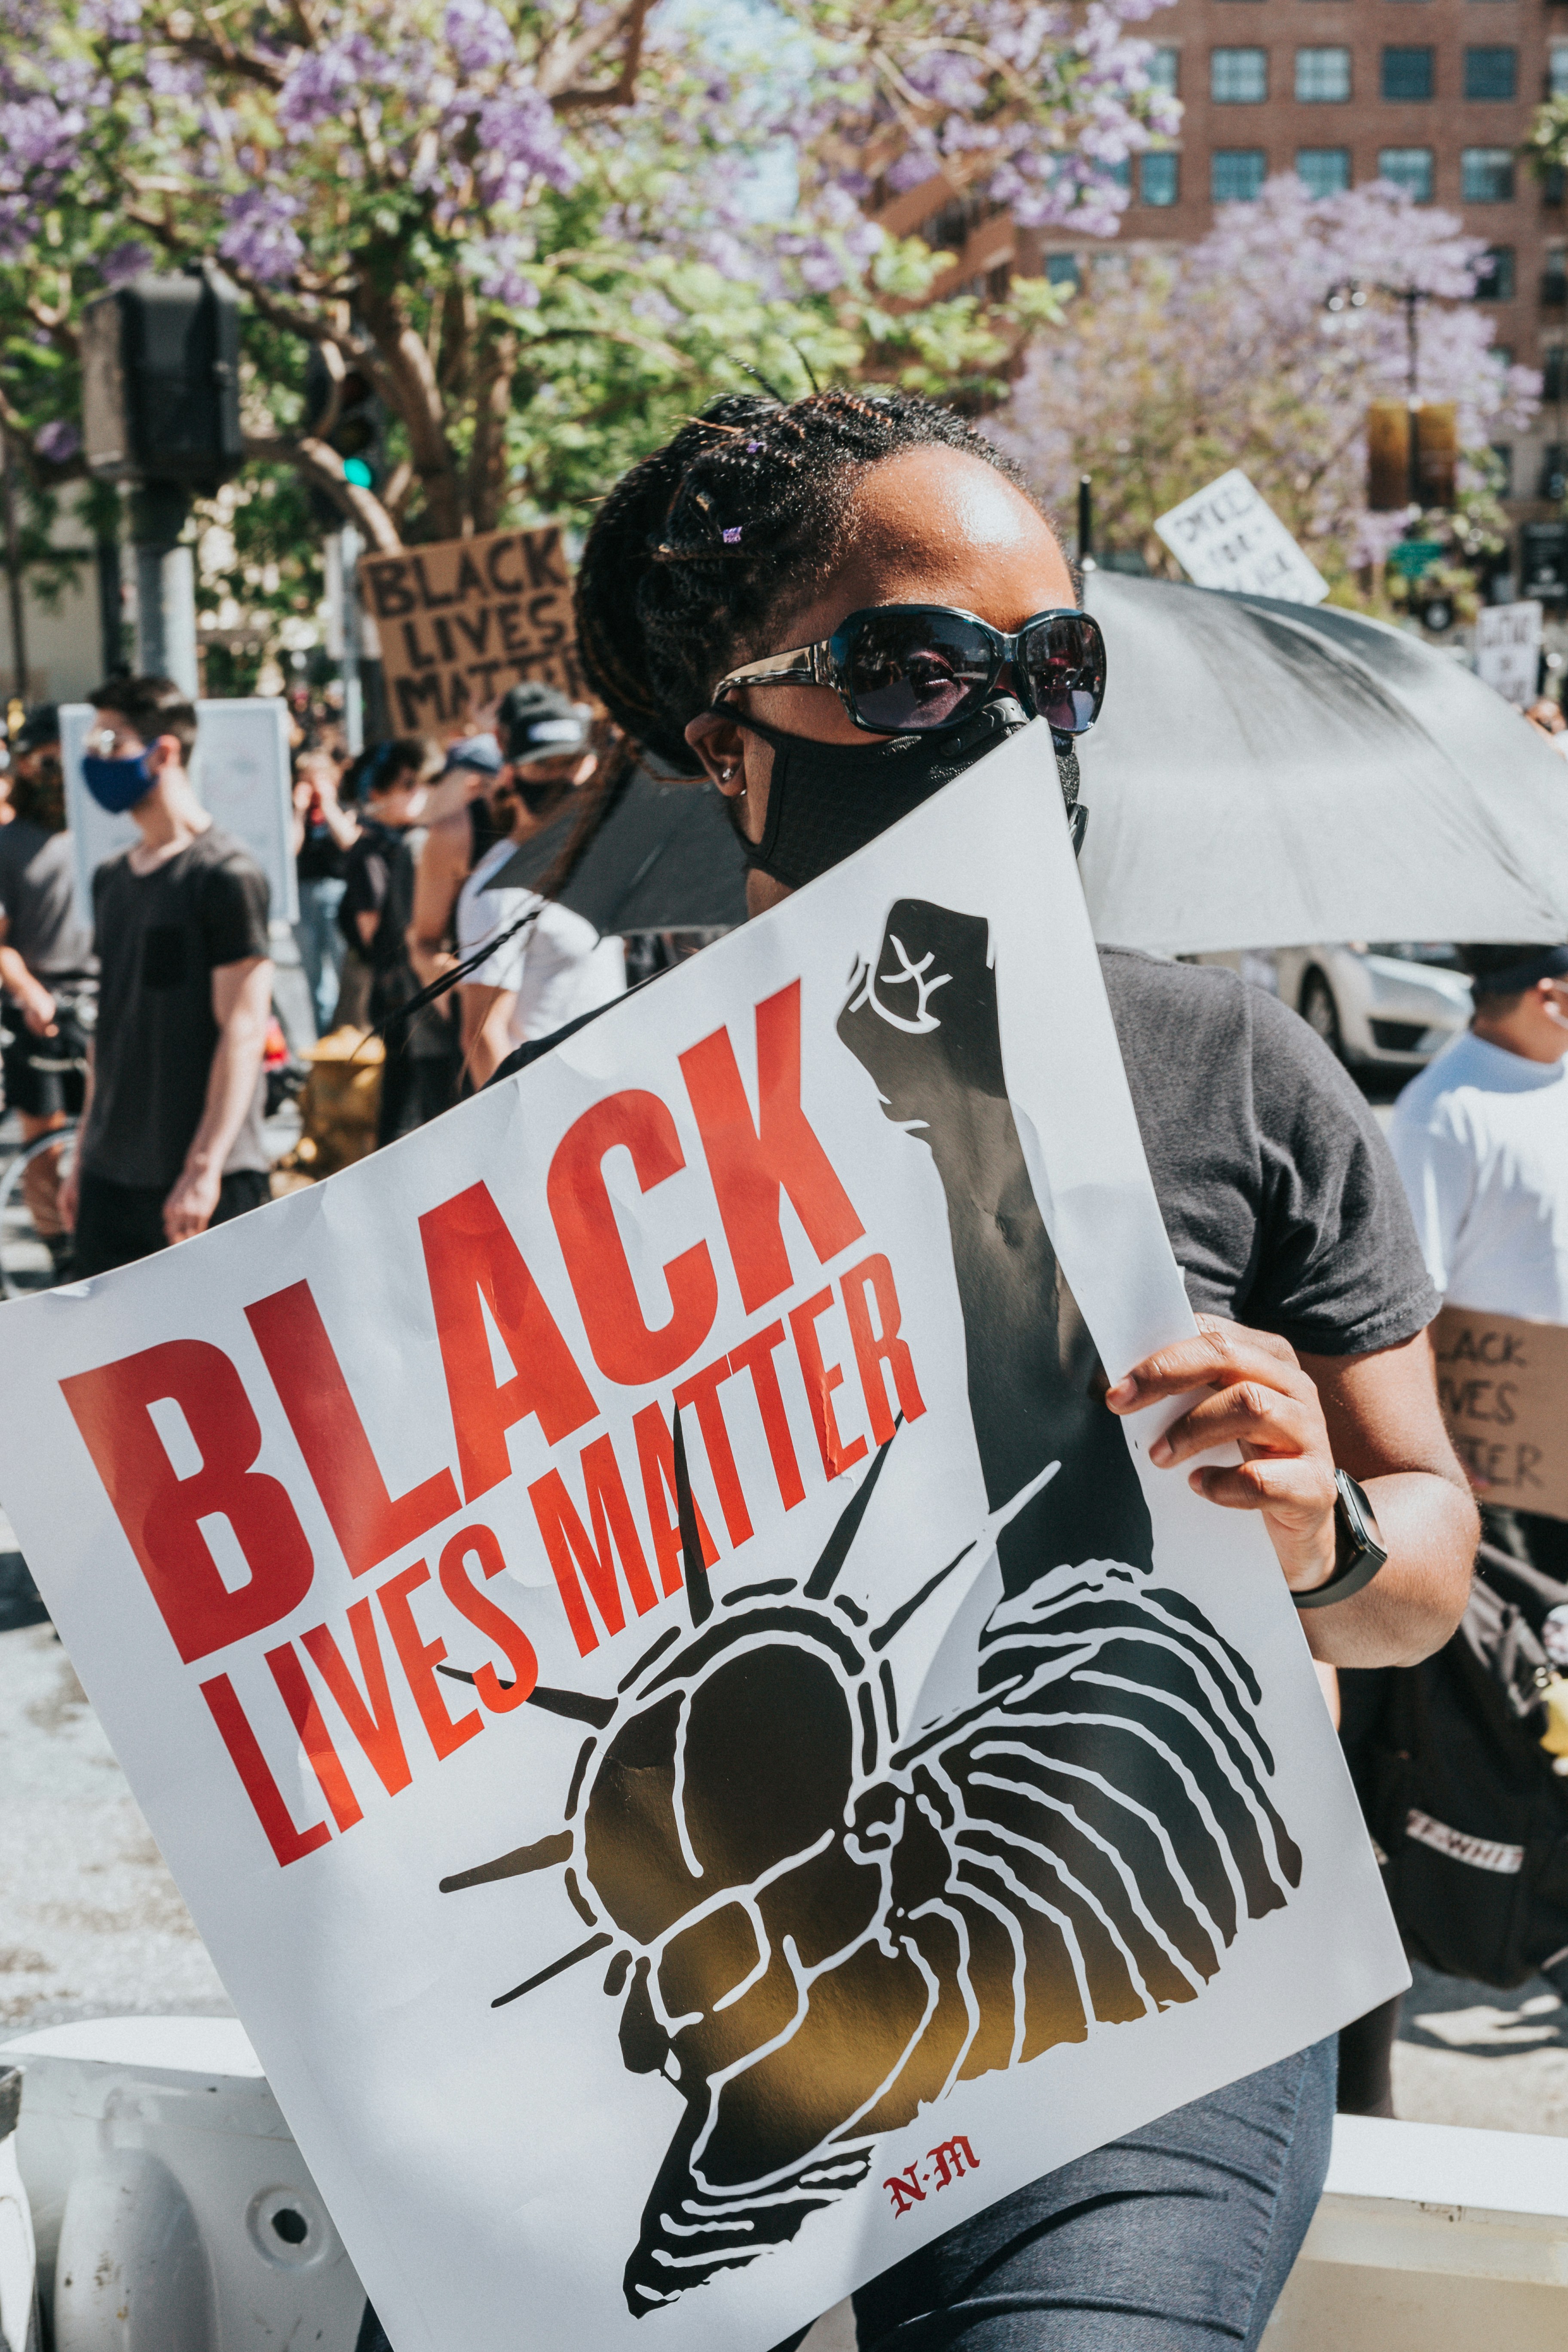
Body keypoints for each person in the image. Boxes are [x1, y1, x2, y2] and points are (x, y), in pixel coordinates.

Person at [570, 388, 1476, 2352]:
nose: (996, 720)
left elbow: (1427, 1565)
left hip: (1136, 2007)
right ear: (729, 742)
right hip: (656, 2031)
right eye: (905, 666)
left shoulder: (1234, 1070)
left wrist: (1319, 1533)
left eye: (1048, 667)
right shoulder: (577, 1113)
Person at [58, 676, 273, 1277]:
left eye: (111, 739)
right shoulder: (110, 879)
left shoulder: (226, 874)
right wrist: (82, 1156)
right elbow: (112, 1026)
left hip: (201, 1181)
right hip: (112, 1176)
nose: (95, 757)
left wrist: (203, 1168)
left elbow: (244, 1029)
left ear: (165, 751)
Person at [1387, 941, 1568, 1578]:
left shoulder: (1559, 1075)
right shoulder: (1441, 1113)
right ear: (1551, 996)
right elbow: (1406, 1302)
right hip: (1506, 1454)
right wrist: (1435, 1449)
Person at [454, 690, 625, 1087]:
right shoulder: (497, 890)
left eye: (569, 762)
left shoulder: (595, 860)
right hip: (559, 1110)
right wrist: (529, 1138)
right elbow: (482, 1037)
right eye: (543, 765)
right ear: (512, 775)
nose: (559, 777)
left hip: (615, 1096)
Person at [0, 705, 95, 1272]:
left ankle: (99, 1243)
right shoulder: (8, 844)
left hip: (103, 1003)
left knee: (108, 1137)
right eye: (46, 763)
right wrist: (29, 992)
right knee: (46, 1144)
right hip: (37, 1007)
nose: (57, 775)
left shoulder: (103, 832)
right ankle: (61, 1254)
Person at [338, 736, 456, 1145]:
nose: (420, 793)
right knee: (406, 1106)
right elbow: (374, 934)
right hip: (400, 995)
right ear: (377, 795)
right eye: (408, 786)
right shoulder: (374, 853)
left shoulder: (408, 843)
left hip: (411, 993)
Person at [291, 744, 359, 1033]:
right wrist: (298, 811)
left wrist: (328, 805)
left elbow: (349, 842)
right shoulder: (297, 817)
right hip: (303, 895)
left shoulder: (346, 809)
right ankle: (324, 1039)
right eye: (306, 779)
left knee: (344, 972)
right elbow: (289, 851)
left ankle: (345, 1033)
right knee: (315, 978)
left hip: (338, 894)